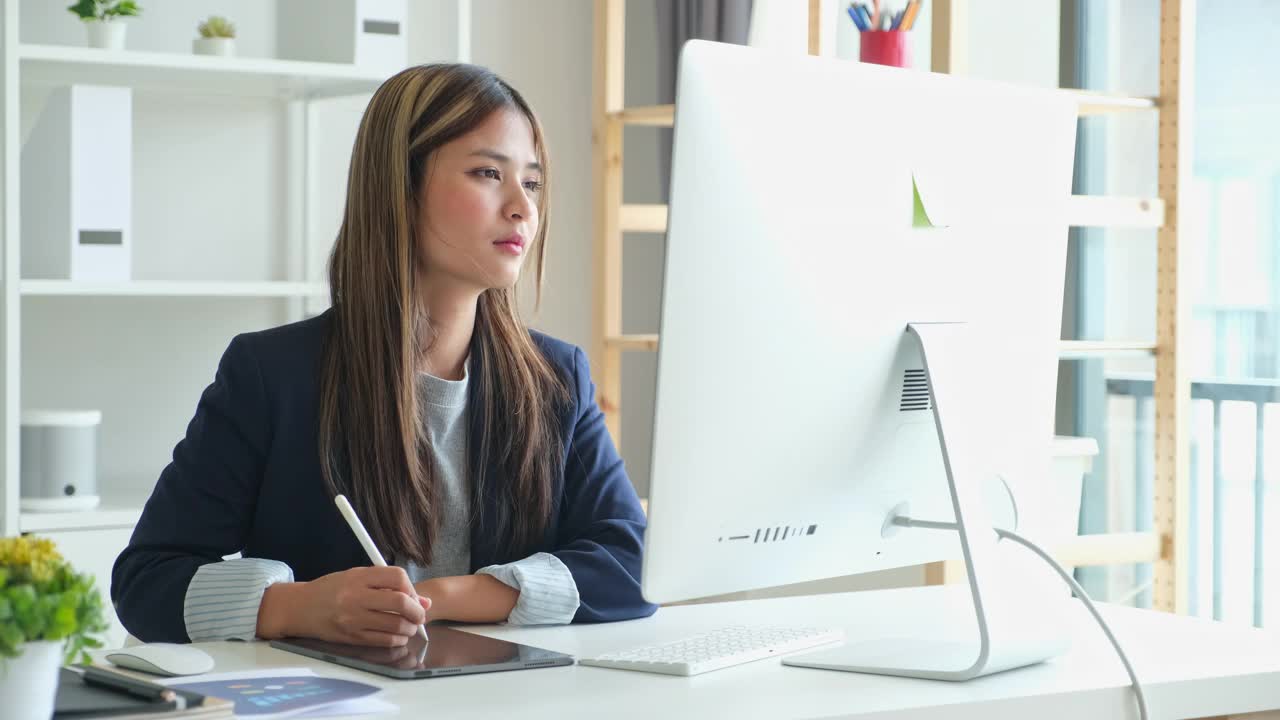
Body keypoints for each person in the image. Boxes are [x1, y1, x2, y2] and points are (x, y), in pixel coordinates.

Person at [112, 63, 657, 645]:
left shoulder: (556, 379)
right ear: (399, 187)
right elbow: (147, 581)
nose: (521, 207)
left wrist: (453, 596)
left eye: (532, 182)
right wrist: (295, 607)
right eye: (487, 173)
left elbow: (633, 563)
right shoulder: (272, 376)